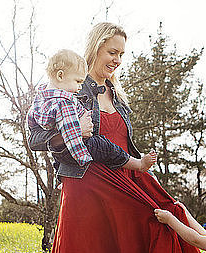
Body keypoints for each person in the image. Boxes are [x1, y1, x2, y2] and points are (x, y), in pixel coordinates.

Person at [27, 22, 198, 253]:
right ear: (95, 48)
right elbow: (36, 136)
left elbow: (121, 144)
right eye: (111, 52)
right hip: (86, 188)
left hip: (121, 186)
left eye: (121, 54)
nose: (117, 60)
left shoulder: (115, 94)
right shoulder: (71, 87)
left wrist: (139, 169)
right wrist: (74, 134)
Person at [27, 49, 157, 173]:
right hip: (80, 149)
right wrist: (83, 157)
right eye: (78, 81)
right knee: (105, 146)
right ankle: (138, 164)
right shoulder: (63, 102)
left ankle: (60, 177)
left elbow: (32, 124)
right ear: (60, 76)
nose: (79, 87)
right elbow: (72, 138)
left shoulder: (40, 99)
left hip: (62, 153)